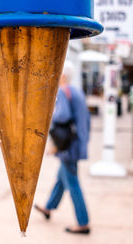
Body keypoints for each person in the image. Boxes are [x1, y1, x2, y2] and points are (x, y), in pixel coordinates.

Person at [35, 62, 91, 234]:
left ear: (63, 75)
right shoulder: (76, 91)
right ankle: (48, 207)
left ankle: (83, 223)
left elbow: (62, 116)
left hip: (68, 146)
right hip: (77, 142)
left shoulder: (62, 91)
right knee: (61, 178)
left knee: (72, 183)